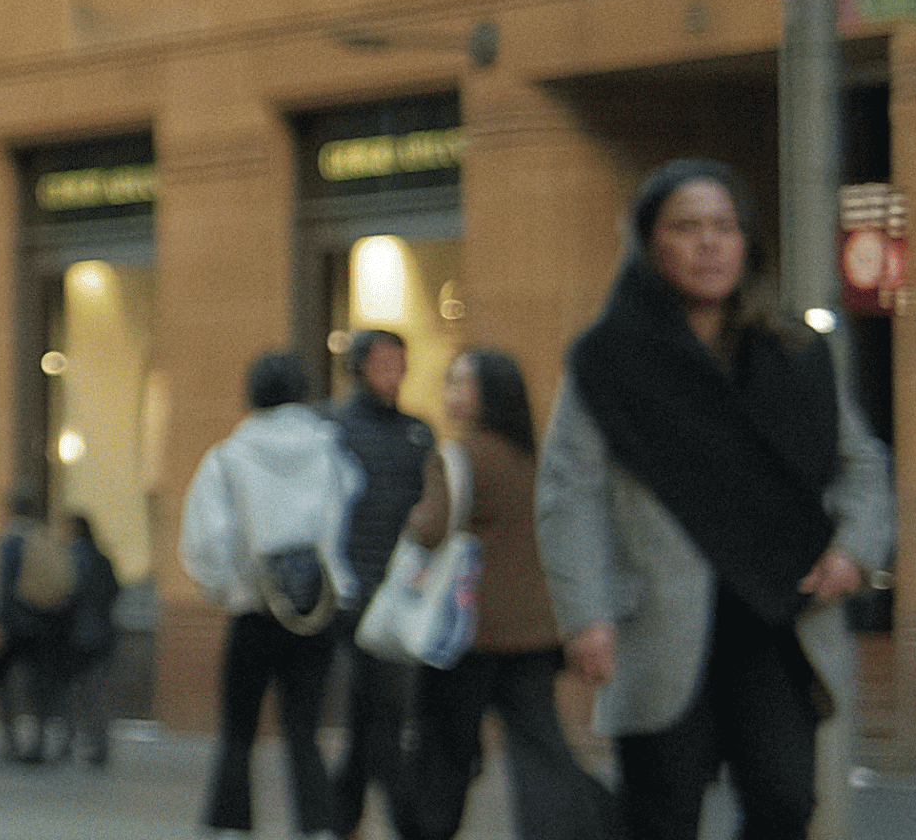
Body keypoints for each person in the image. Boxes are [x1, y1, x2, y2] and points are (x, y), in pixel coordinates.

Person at [547, 162, 888, 840]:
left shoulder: (794, 351)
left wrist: (854, 551)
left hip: (780, 619)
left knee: (786, 802)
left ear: (746, 243)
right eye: (686, 227)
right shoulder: (607, 361)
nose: (709, 244)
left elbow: (861, 465)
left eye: (723, 227)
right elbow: (569, 493)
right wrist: (585, 614)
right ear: (652, 243)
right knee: (660, 814)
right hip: (660, 626)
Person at [400, 346, 603, 840]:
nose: (450, 392)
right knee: (539, 748)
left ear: (488, 395)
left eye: (459, 382)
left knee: (446, 749)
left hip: (463, 633)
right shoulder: (539, 458)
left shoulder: (457, 457)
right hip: (534, 632)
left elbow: (430, 530)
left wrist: (410, 521)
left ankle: (431, 830)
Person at [184, 351, 356, 836]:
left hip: (254, 609)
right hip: (315, 610)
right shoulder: (330, 451)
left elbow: (206, 539)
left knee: (238, 728)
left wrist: (224, 586)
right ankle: (318, 824)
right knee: (304, 729)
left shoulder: (229, 457)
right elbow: (345, 518)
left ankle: (233, 822)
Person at [321, 329, 440, 833]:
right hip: (352, 587)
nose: (394, 369)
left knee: (372, 712)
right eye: (383, 360)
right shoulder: (331, 426)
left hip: (402, 587)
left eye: (401, 359)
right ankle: (410, 823)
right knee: (384, 710)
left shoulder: (418, 431)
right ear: (360, 366)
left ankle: (342, 815)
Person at [0, 482, 119, 766]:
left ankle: (20, 742)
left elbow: (5, 589)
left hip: (33, 629)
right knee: (61, 687)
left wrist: (1, 623)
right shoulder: (48, 539)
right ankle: (55, 741)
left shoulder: (12, 541)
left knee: (15, 682)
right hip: (57, 628)